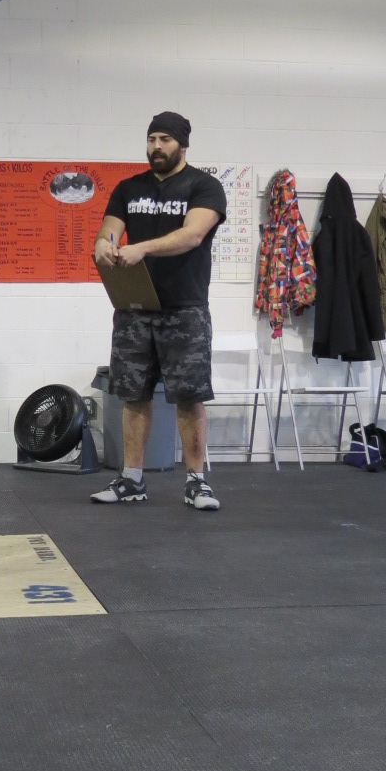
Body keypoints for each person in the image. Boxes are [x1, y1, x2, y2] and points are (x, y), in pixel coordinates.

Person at [90, 111, 227, 510]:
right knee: (133, 395)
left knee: (189, 396)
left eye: (165, 139)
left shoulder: (204, 186)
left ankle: (197, 482)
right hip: (135, 308)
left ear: (183, 145)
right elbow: (109, 230)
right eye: (152, 139)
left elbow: (193, 234)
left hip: (184, 310)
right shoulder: (129, 188)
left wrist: (143, 248)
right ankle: (131, 479)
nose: (156, 147)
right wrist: (105, 244)